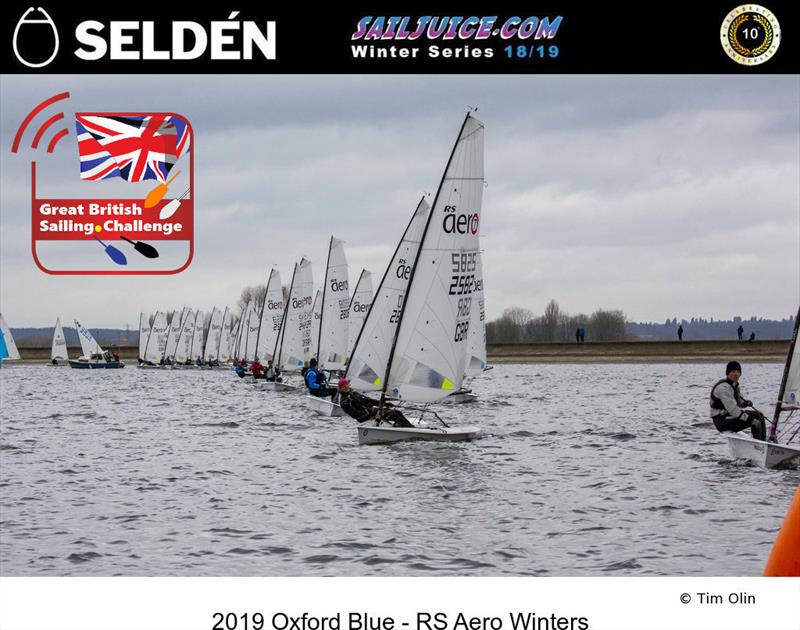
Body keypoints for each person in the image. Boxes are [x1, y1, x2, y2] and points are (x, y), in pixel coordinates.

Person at [709, 361, 766, 440]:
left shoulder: (734, 385)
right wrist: (750, 420)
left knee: (759, 415)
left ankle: (763, 441)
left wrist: (745, 403)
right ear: (728, 373)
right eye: (733, 372)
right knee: (755, 419)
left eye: (738, 372)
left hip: (728, 417)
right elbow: (733, 410)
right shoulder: (723, 388)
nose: (736, 374)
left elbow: (738, 402)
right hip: (722, 422)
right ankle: (759, 444)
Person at [336, 379, 413, 427]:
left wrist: (384, 404)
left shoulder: (355, 393)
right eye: (343, 386)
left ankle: (408, 427)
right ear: (340, 389)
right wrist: (371, 412)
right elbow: (355, 415)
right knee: (393, 414)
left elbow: (369, 400)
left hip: (373, 412)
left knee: (397, 412)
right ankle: (407, 428)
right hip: (365, 418)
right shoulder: (344, 401)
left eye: (346, 385)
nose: (346, 387)